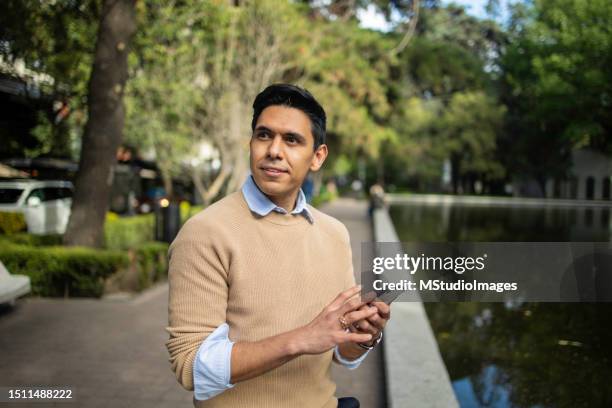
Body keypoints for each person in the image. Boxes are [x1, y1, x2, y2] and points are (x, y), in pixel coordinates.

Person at [165, 84, 391, 408]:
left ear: (317, 157)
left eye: (292, 140)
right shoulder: (204, 233)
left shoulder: (335, 233)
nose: (274, 150)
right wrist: (301, 339)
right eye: (264, 135)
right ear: (251, 144)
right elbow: (192, 367)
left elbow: (341, 354)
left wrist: (363, 335)